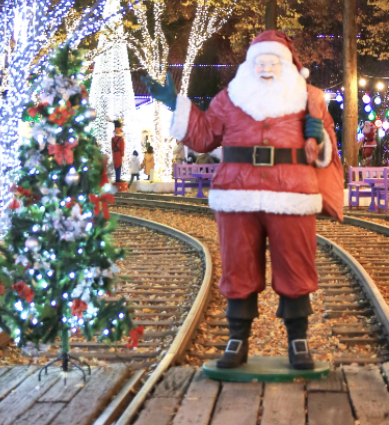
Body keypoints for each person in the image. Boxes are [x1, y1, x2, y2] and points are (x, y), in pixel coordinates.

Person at [146, 29, 343, 371]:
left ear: (286, 64)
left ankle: (298, 340)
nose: (266, 67)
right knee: (238, 265)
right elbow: (205, 136)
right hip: (237, 192)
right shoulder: (229, 99)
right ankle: (237, 339)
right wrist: (174, 103)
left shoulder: (309, 99)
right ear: (250, 65)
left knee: (296, 264)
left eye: (273, 61)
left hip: (292, 191)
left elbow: (325, 152)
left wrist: (321, 139)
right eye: (260, 61)